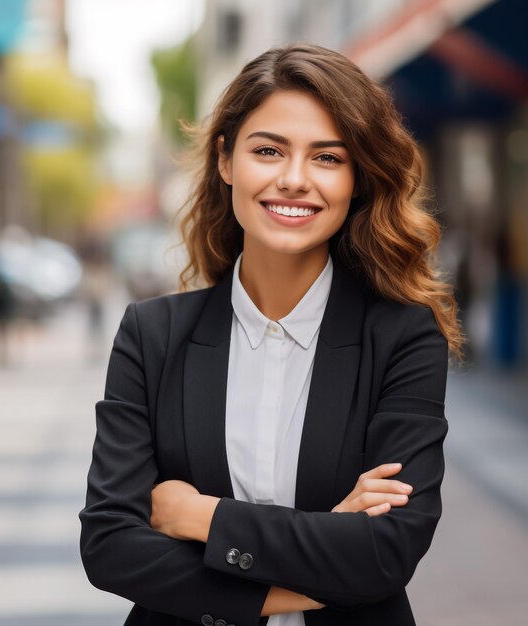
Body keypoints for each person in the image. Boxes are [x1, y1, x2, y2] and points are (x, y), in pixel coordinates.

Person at [79, 43, 463, 626]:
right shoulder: (151, 335)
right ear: (226, 161)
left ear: (357, 179)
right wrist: (315, 567)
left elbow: (387, 551)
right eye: (268, 150)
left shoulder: (403, 337)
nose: (293, 179)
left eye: (327, 158)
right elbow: (110, 547)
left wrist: (200, 516)